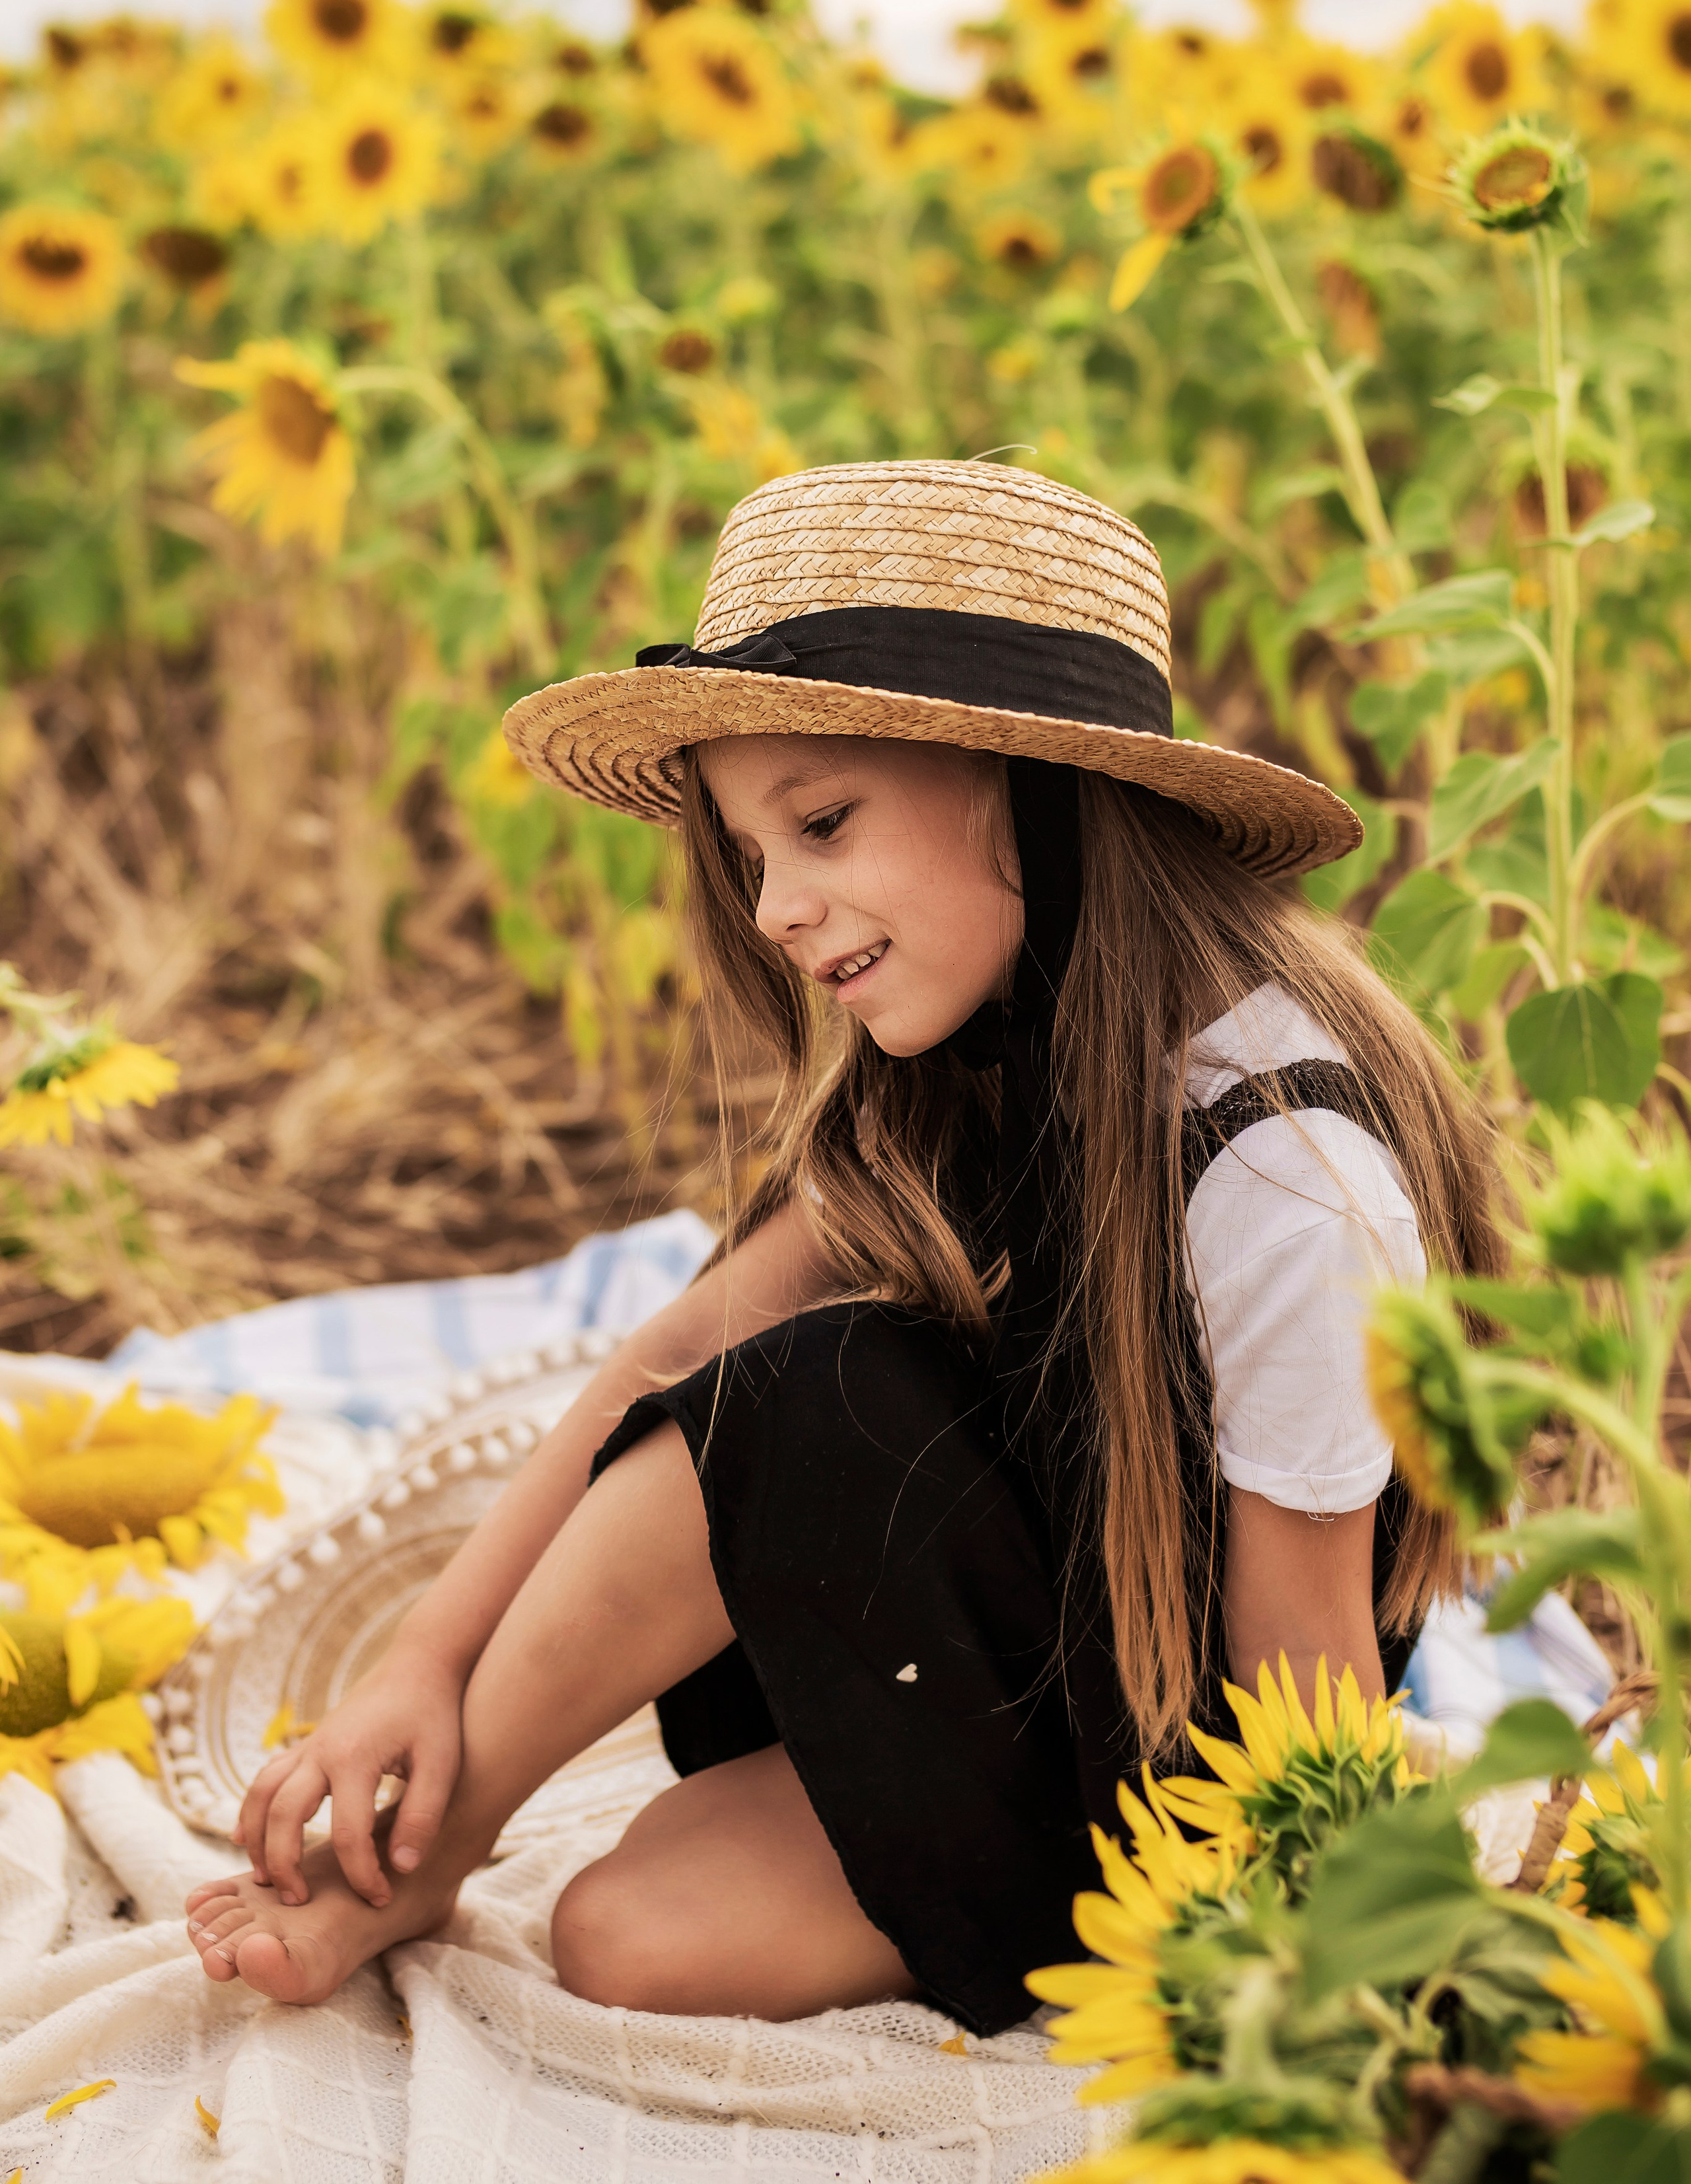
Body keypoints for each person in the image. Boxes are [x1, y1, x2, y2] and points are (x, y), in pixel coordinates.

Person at [184, 457, 1500, 2031]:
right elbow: (674, 1354)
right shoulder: (988, 1047)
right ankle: (425, 1854)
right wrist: (421, 1658)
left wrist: (1330, 1977)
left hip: (1176, 1765)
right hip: (1013, 1621)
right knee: (771, 1386)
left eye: (820, 823)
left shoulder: (1286, 1175)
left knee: (631, 1932)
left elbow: (1303, 1672)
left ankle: (916, 1802)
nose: (777, 912)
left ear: (1033, 787)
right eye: (755, 858)